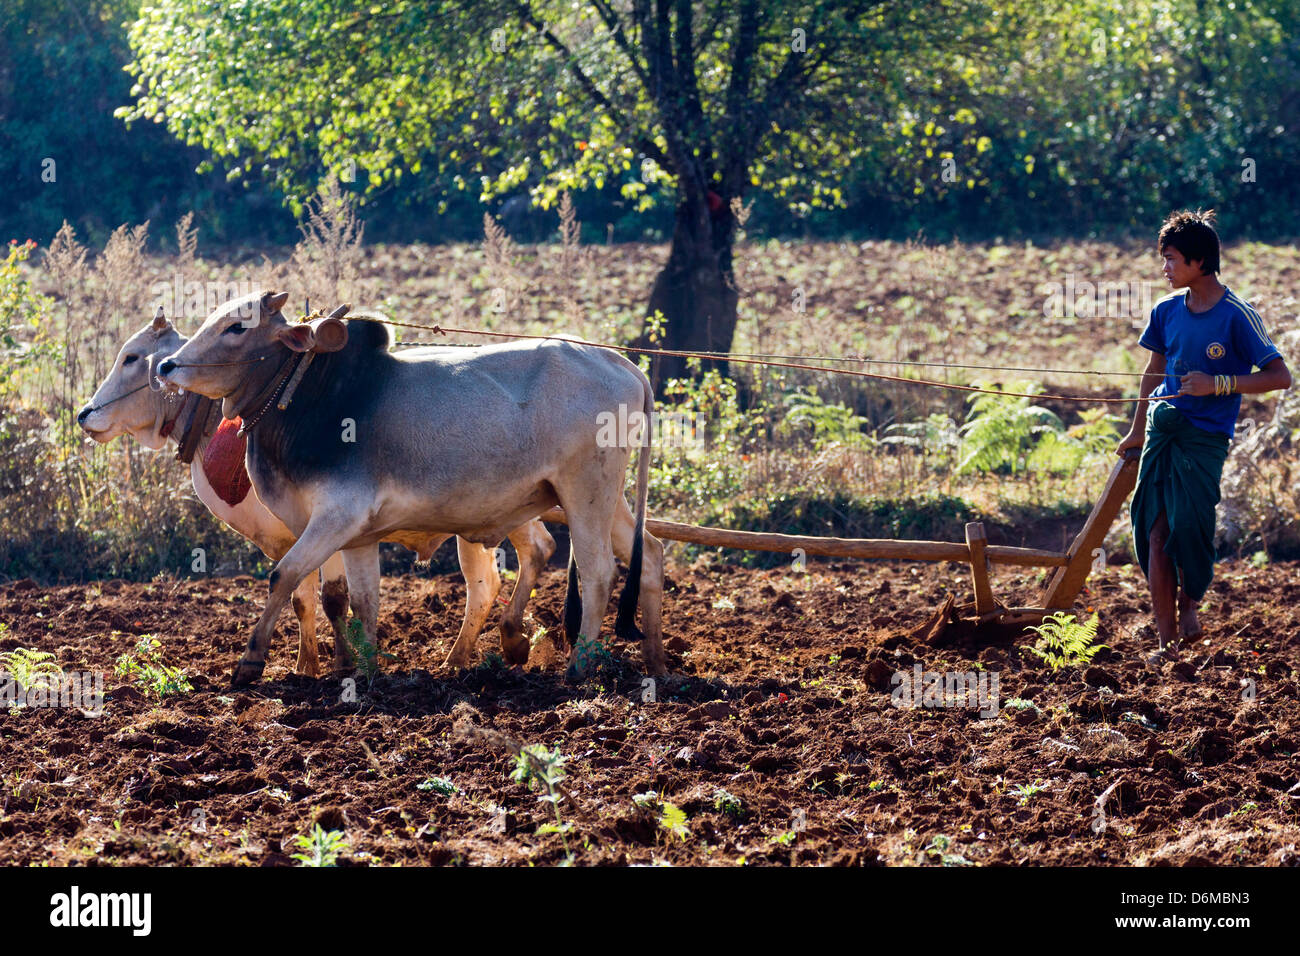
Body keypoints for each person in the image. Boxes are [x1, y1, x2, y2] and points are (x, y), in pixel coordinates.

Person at [1116, 209, 1291, 660]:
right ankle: (1165, 641)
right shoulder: (1166, 311)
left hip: (1204, 437)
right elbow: (1153, 373)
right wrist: (1136, 431)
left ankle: (1191, 601)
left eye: (1171, 258)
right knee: (1153, 532)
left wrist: (1220, 383)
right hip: (1162, 430)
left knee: (1189, 526)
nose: (1165, 268)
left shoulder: (1237, 315)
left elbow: (1279, 376)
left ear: (1198, 260)